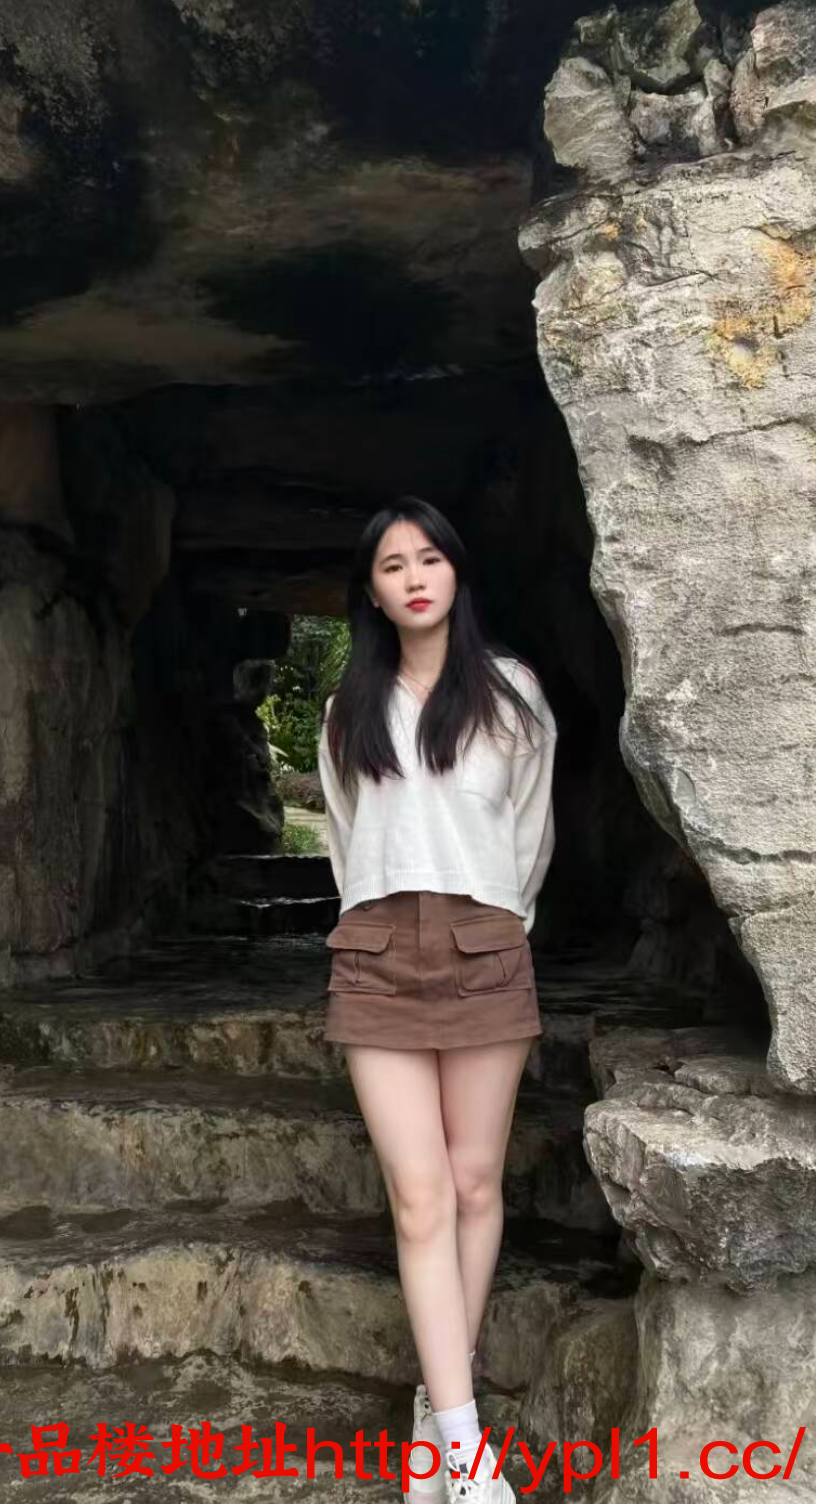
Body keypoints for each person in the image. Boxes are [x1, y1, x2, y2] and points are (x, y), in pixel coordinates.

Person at [316, 496, 557, 1504]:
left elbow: (531, 833)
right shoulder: (349, 708)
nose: (413, 577)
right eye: (391, 565)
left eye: (428, 558)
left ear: (455, 571)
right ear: (371, 592)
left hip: (485, 939)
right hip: (376, 950)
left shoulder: (510, 695)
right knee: (418, 1196)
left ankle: (438, 1413)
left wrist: (500, 925)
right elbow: (343, 840)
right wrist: (378, 920)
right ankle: (464, 1451)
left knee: (472, 1182)